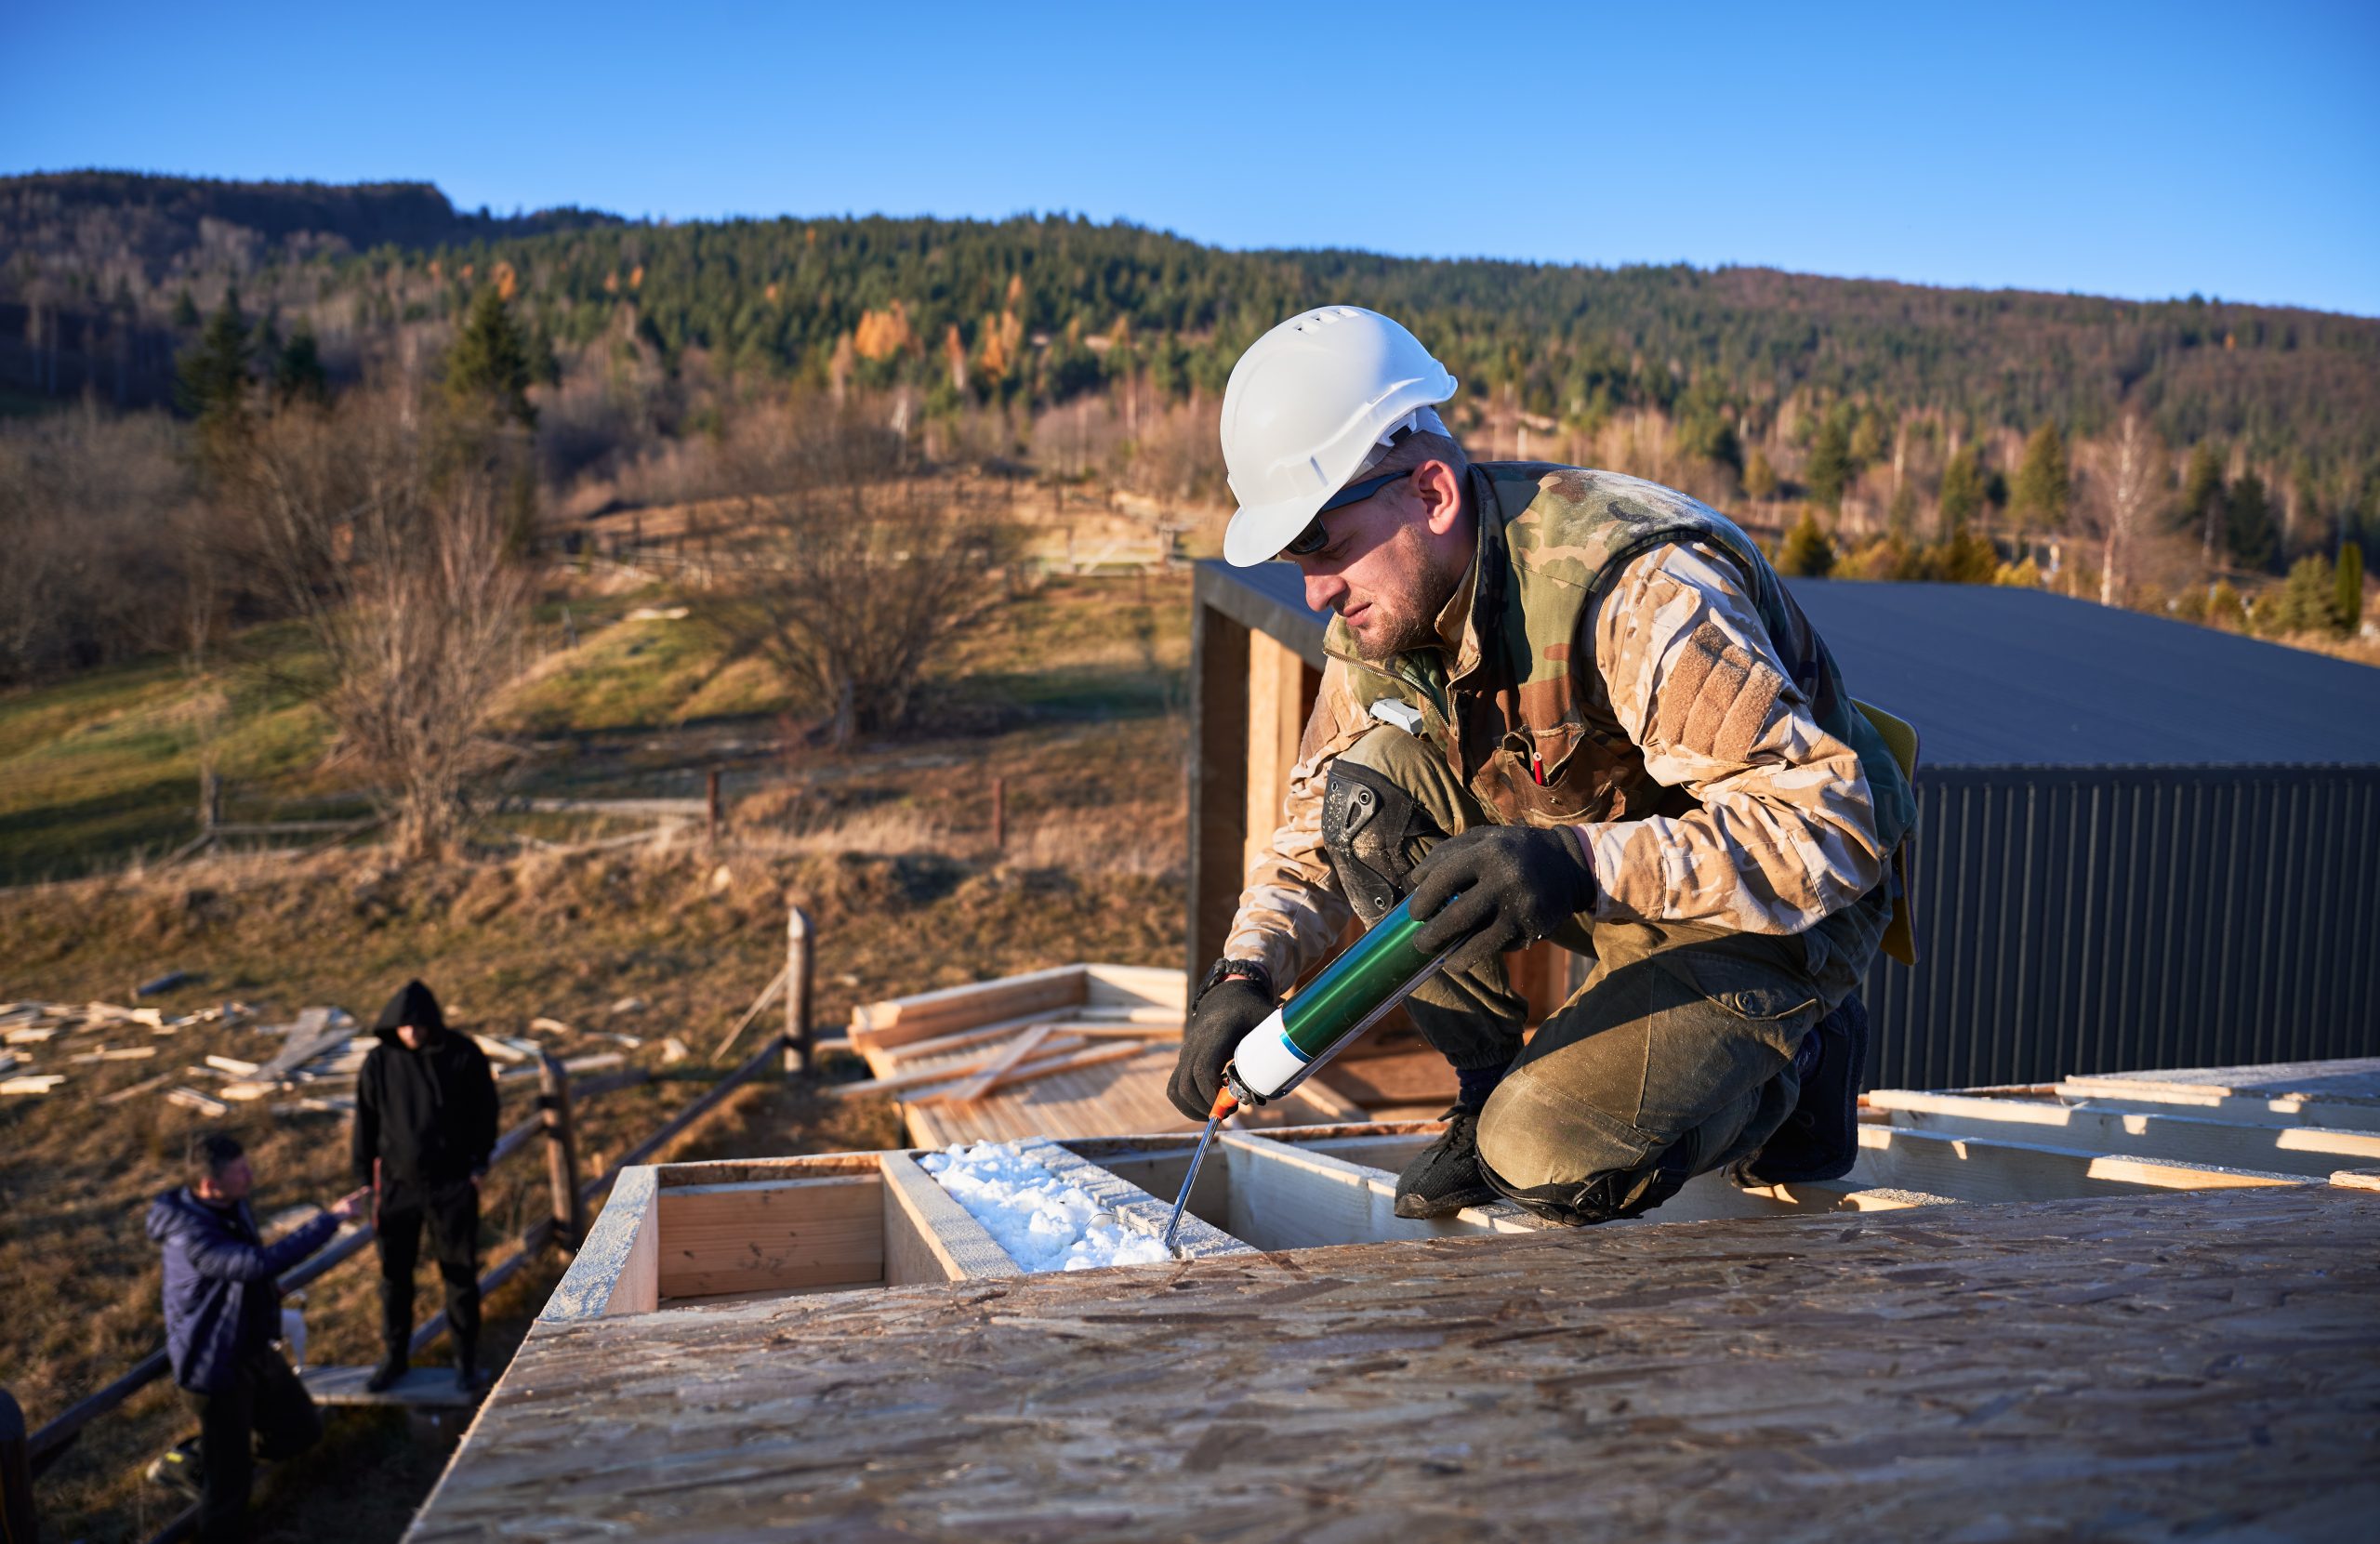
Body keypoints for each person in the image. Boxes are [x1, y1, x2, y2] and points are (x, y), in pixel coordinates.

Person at [1171, 306, 1917, 1225]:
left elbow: (1826, 829)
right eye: (1293, 556)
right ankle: (1484, 1086)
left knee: (1548, 1158)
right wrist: (1243, 976)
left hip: (1780, 905)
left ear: (1432, 492)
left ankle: (1798, 1068)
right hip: (1607, 882)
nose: (1315, 586)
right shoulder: (1385, 618)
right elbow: (1315, 825)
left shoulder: (1637, 586)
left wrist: (1575, 865)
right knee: (1367, 794)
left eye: (1321, 542)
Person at [146, 1131, 368, 1543]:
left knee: (302, 1430)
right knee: (228, 1491)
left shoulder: (230, 1204)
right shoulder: (191, 1234)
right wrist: (330, 1219)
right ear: (211, 1184)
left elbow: (241, 1275)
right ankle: (207, 1480)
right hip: (214, 1366)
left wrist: (265, 1293)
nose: (251, 1175)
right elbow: (255, 1262)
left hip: (249, 1346)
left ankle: (201, 1456)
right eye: (241, 1171)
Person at [353, 979, 497, 1393]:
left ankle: (465, 1362)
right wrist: (366, 1178)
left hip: (452, 1184)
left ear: (431, 1022)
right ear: (392, 1026)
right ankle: (395, 1358)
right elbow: (365, 1122)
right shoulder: (379, 1064)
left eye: (418, 1024)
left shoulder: (462, 1054)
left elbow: (486, 1109)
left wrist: (478, 1162)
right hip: (397, 1188)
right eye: (404, 1026)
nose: (412, 1032)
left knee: (460, 1275)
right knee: (394, 1277)